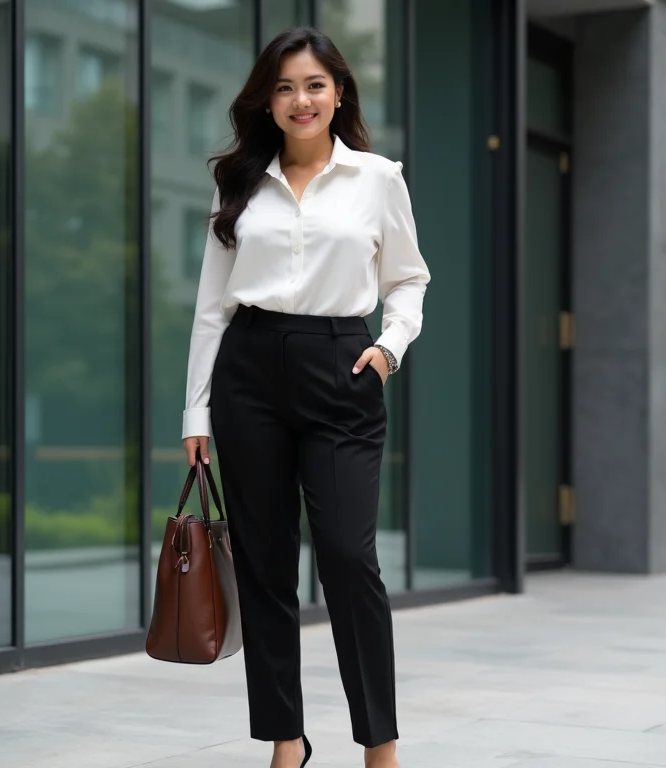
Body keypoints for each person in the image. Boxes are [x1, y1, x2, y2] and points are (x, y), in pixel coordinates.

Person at [181, 26, 430, 768]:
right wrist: (195, 411)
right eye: (285, 86)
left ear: (339, 93)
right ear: (268, 99)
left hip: (341, 365)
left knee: (350, 558)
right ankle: (287, 739)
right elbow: (210, 307)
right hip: (249, 373)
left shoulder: (378, 179)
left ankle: (378, 744)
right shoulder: (238, 183)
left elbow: (409, 277)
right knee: (263, 563)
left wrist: (389, 347)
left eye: (314, 85)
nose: (300, 100)